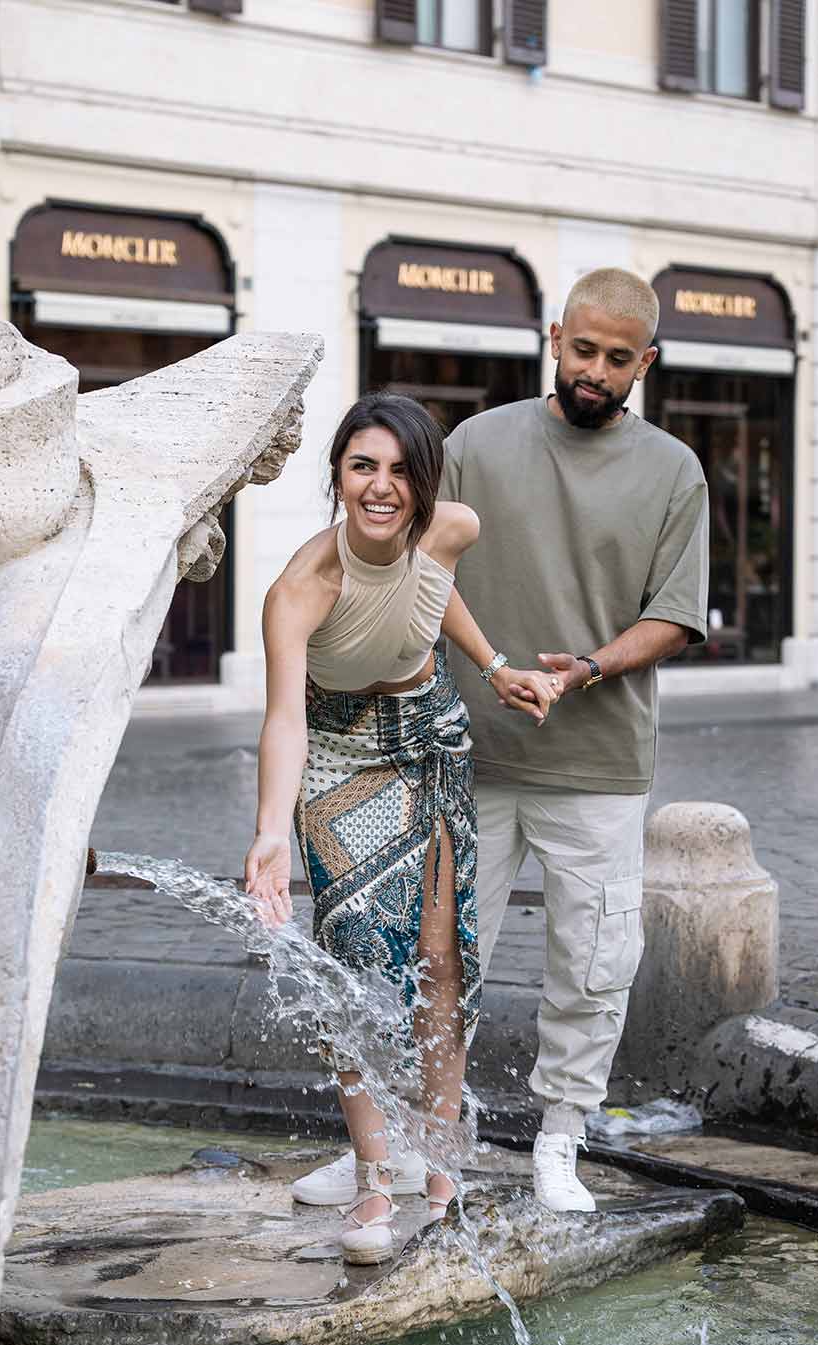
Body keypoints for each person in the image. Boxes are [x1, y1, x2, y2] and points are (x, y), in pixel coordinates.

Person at [243, 393, 559, 1264]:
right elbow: (284, 722)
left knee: (440, 955)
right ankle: (375, 1177)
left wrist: (493, 668)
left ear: (424, 482)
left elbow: (433, 593)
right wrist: (272, 829)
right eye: (361, 467)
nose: (381, 488)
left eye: (399, 470)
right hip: (339, 757)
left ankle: (445, 1165)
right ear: (338, 476)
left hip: (430, 740)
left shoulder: (452, 527)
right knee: (349, 957)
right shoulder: (300, 589)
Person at [440, 267, 710, 1212]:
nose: (595, 371)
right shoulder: (475, 444)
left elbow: (675, 618)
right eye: (583, 349)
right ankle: (422, 1137)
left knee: (593, 963)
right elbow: (426, 574)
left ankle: (561, 1137)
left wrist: (583, 669)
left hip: (599, 762)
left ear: (647, 361)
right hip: (469, 753)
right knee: (439, 954)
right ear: (556, 339)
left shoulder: (674, 470)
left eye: (617, 358)